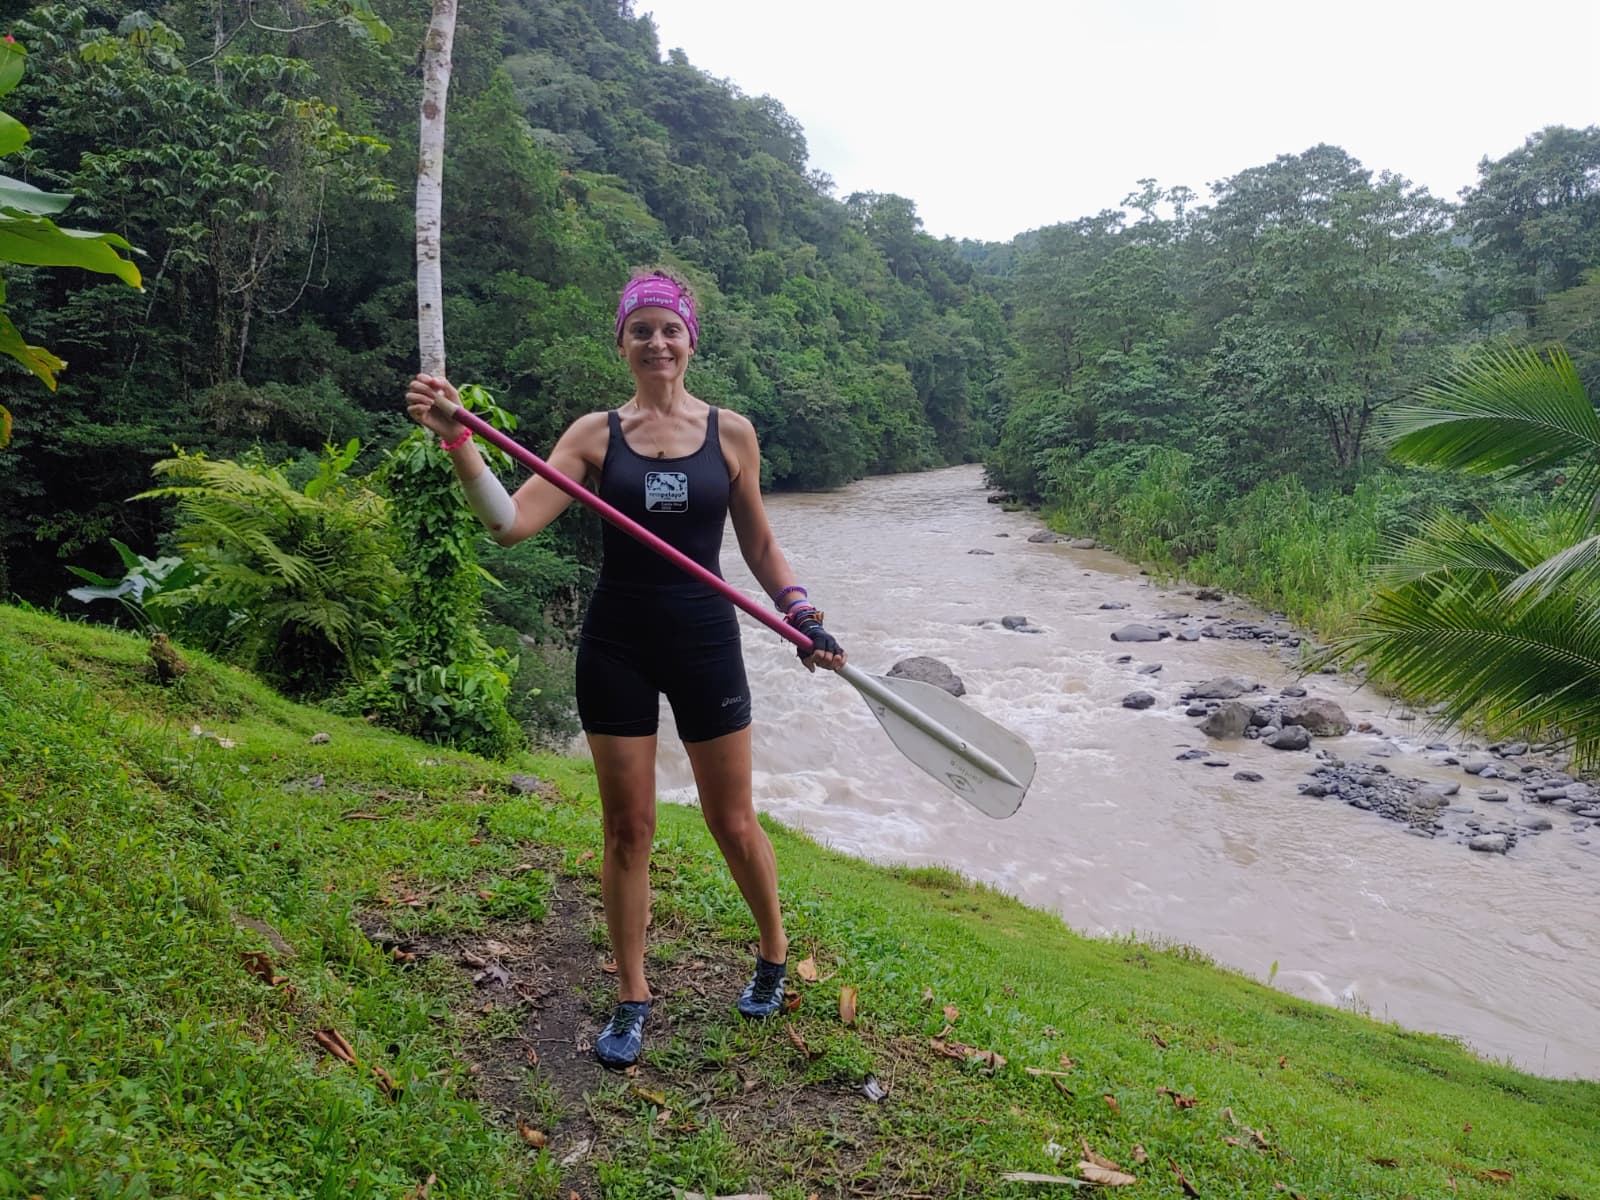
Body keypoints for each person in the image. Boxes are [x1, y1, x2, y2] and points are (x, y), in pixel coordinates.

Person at [404, 269, 846, 1068]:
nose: (656, 342)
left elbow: (760, 545)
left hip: (706, 639)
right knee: (626, 829)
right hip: (617, 645)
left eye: (669, 328)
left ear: (690, 340)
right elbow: (509, 523)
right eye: (640, 329)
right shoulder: (593, 436)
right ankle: (633, 996)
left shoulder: (732, 434)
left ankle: (774, 953)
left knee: (731, 820)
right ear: (622, 344)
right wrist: (459, 441)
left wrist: (799, 607)